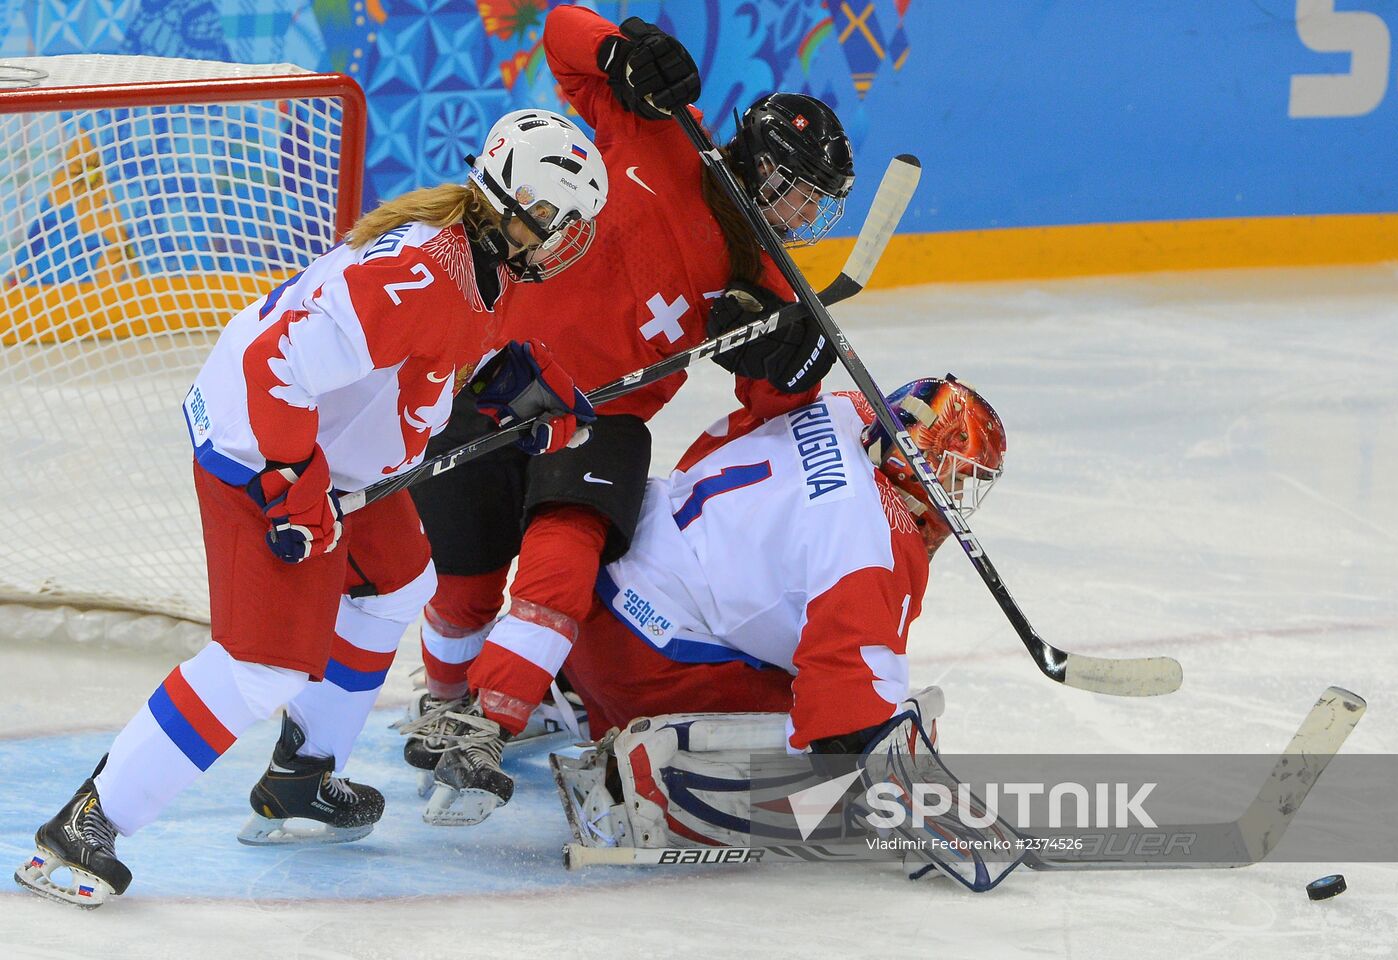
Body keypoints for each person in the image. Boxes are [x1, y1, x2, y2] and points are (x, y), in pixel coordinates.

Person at [14, 108, 608, 908]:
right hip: (259, 448)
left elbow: (440, 356)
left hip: (332, 460)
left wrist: (517, 390)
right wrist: (291, 482)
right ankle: (84, 825)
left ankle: (301, 776)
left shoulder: (483, 260)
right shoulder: (426, 273)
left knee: (398, 585)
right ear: (512, 201)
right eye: (554, 218)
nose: (562, 237)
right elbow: (274, 362)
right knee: (259, 666)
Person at [397, 4, 857, 827]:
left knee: (563, 554)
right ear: (761, 166)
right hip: (500, 377)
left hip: (601, 419)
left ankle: (490, 721)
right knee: (463, 579)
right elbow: (560, 35)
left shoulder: (770, 280)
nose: (801, 217)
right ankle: (445, 705)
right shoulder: (662, 135)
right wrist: (618, 51)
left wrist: (786, 354)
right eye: (797, 193)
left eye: (816, 203)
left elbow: (776, 410)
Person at [552, 376, 1021, 890]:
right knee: (853, 760)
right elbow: (845, 715)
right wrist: (911, 799)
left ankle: (565, 687)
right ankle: (641, 791)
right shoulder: (877, 543)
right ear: (919, 461)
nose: (955, 499)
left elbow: (711, 445)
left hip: (592, 588)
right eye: (957, 477)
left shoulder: (844, 407)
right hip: (643, 666)